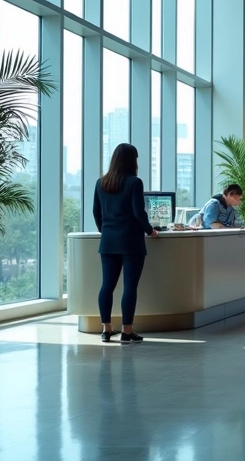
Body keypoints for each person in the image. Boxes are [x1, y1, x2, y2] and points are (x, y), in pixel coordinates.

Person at [93, 143, 158, 344]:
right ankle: (127, 332)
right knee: (129, 286)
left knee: (107, 286)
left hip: (108, 241)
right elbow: (139, 212)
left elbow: (96, 212)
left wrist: (105, 231)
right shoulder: (134, 182)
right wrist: (151, 230)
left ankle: (106, 330)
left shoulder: (101, 182)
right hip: (131, 241)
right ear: (132, 161)